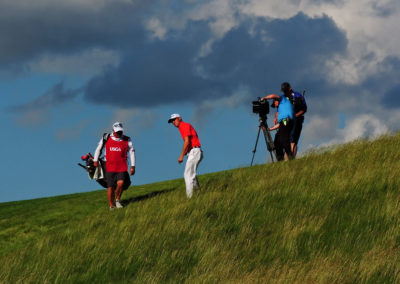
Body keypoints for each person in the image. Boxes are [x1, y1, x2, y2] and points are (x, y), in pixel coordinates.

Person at [93, 122, 135, 210]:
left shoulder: (127, 139)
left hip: (122, 166)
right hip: (109, 166)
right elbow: (98, 148)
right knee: (110, 187)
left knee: (121, 183)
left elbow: (132, 152)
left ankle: (117, 200)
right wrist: (95, 160)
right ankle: (111, 205)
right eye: (117, 132)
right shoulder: (106, 138)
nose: (119, 133)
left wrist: (132, 166)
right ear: (113, 131)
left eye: (120, 131)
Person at [168, 113, 203, 198]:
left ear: (179, 118)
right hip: (194, 152)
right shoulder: (182, 127)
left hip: (194, 151)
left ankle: (189, 198)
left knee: (187, 175)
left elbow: (187, 142)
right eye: (172, 121)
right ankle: (199, 195)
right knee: (192, 175)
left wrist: (181, 155)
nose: (173, 122)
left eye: (174, 119)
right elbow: (188, 142)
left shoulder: (184, 125)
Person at [262, 90, 294, 161]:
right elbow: (280, 124)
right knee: (277, 141)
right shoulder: (280, 109)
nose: (274, 105)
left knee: (284, 140)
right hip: (284, 123)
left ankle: (290, 157)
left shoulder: (282, 100)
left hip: (287, 121)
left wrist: (264, 98)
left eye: (274, 103)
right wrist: (270, 129)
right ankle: (280, 159)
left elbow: (273, 95)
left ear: (276, 101)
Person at [280, 82, 307, 157]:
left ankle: (290, 160)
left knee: (293, 141)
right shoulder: (283, 98)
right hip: (286, 121)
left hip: (296, 121)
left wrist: (295, 115)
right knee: (287, 141)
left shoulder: (298, 96)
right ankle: (287, 162)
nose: (284, 92)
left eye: (285, 90)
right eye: (283, 91)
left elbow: (304, 109)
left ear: (290, 88)